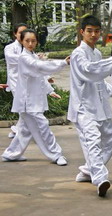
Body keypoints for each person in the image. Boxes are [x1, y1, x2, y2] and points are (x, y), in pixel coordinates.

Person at [68, 15, 112, 197]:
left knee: (111, 138)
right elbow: (90, 71)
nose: (93, 34)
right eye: (89, 31)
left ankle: (88, 171)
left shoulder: (96, 53)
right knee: (93, 140)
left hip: (99, 105)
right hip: (83, 106)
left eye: (97, 31)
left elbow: (99, 79)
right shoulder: (78, 54)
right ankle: (100, 179)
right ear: (82, 32)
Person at [1, 29, 69, 166]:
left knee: (25, 130)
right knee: (42, 126)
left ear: (37, 41)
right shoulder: (24, 58)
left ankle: (11, 154)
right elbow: (39, 67)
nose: (30, 43)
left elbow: (41, 76)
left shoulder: (32, 56)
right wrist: (62, 63)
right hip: (28, 101)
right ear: (21, 41)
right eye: (27, 41)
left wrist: (50, 91)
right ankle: (56, 154)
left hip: (33, 100)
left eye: (33, 41)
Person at [4, 23, 28, 138]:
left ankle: (17, 129)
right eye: (20, 33)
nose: (23, 35)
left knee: (25, 108)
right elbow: (14, 60)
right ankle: (19, 131)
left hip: (27, 82)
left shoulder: (28, 48)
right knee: (22, 107)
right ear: (15, 34)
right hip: (15, 82)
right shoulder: (9, 48)